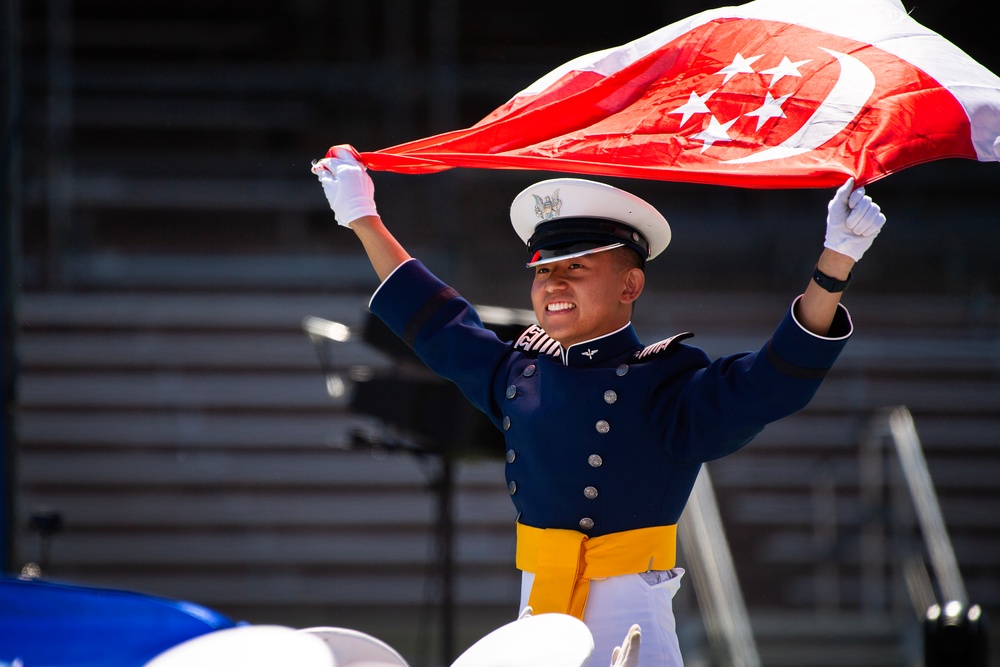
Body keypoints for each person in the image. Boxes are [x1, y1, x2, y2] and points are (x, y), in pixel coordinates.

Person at [311, 146, 886, 667]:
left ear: (629, 286)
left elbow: (769, 384)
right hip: (536, 627)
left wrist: (833, 266)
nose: (552, 284)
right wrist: (364, 218)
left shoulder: (664, 383)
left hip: (631, 631)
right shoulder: (520, 371)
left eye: (576, 268)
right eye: (543, 271)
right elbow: (439, 323)